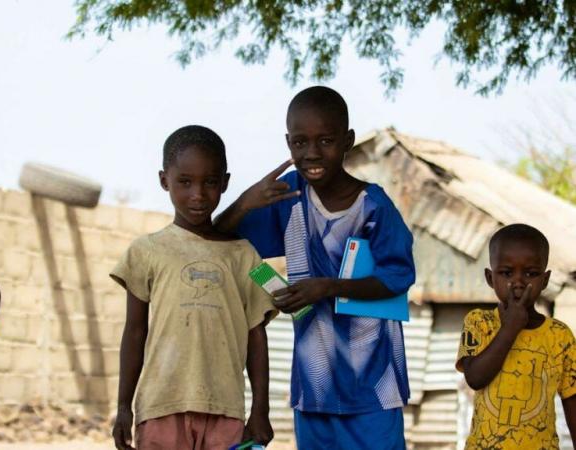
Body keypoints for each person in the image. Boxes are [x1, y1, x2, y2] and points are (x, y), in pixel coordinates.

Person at [216, 85, 415, 449]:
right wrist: (246, 202)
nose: (311, 153)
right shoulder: (288, 196)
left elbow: (398, 276)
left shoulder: (374, 205)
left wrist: (327, 287)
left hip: (374, 388)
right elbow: (220, 239)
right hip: (315, 386)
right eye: (299, 142)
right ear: (288, 143)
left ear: (347, 140)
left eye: (325, 140)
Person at [110, 125, 277, 450]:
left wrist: (261, 409)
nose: (198, 195)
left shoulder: (246, 256)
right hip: (160, 408)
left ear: (225, 183)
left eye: (210, 182)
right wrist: (122, 408)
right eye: (184, 182)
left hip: (225, 411)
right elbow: (134, 332)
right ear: (164, 181)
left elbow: (257, 335)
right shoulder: (145, 251)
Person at [456, 223, 576, 449]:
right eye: (507, 273)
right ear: (491, 278)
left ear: (545, 280)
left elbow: (572, 400)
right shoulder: (479, 322)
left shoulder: (560, 336)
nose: (519, 282)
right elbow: (475, 378)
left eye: (531, 273)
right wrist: (510, 327)